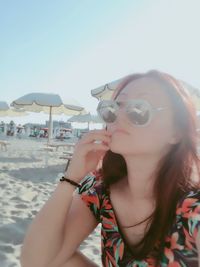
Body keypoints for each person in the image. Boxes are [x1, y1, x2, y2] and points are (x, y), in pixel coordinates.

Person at [20, 70, 200, 267]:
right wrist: (71, 178)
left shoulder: (193, 205)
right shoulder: (100, 190)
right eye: (113, 108)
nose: (119, 117)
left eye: (138, 109)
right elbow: (36, 261)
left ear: (176, 133)